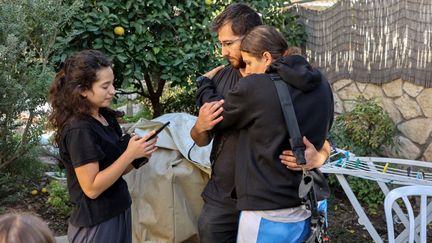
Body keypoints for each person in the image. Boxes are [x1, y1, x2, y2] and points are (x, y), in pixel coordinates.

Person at [190, 3, 331, 242]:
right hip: (223, 199)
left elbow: (316, 133)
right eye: (221, 44)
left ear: (252, 37)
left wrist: (319, 156)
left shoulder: (286, 81)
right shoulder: (221, 78)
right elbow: (201, 139)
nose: (223, 52)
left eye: (228, 43)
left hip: (269, 204)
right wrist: (200, 127)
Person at [48, 49, 158, 243]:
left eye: (112, 84)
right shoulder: (79, 129)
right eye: (105, 86)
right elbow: (92, 188)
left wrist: (139, 156)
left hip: (118, 211)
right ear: (82, 90)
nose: (113, 91)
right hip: (97, 224)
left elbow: (112, 173)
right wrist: (128, 155)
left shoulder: (104, 117)